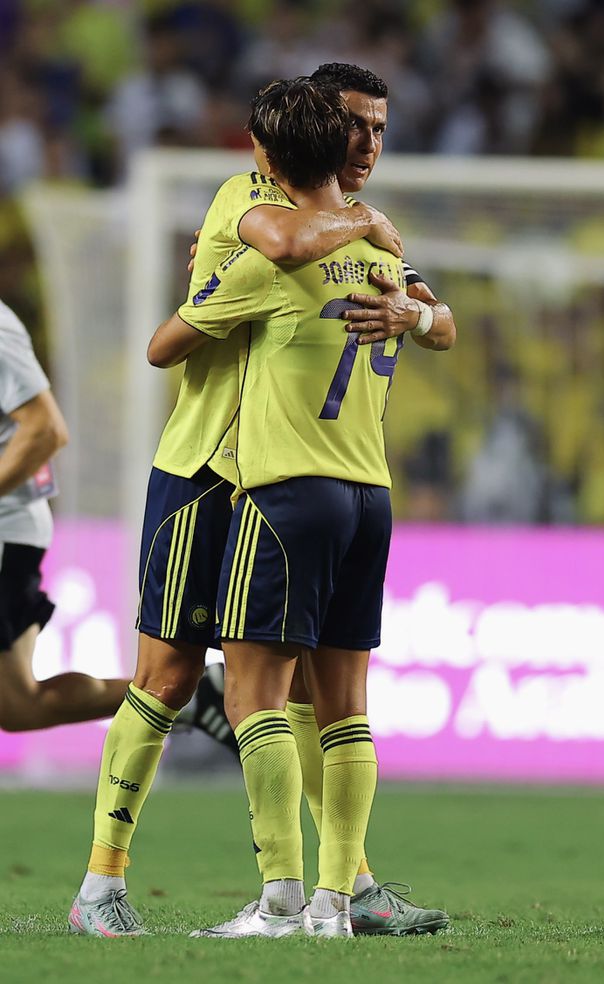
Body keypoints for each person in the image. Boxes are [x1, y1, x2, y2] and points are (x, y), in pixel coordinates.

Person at [68, 70, 453, 939]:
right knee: (166, 679)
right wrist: (368, 227)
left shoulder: (360, 236)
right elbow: (282, 244)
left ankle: (342, 886)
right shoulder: (246, 200)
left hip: (287, 479)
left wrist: (410, 314)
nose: (367, 147)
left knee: (315, 699)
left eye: (380, 131)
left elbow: (438, 314)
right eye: (353, 127)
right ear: (306, 134)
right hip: (205, 468)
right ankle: (102, 883)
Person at [0, 299, 232, 741]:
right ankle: (189, 695)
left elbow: (44, 429)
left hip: (5, 528)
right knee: (18, 705)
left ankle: (180, 691)